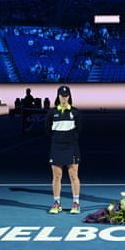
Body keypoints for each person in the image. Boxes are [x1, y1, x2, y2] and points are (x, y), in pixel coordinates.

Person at [45, 86, 82, 214]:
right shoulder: (51, 113)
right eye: (62, 95)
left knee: (73, 175)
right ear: (58, 96)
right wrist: (58, 139)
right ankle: (57, 203)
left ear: (69, 96)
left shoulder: (75, 112)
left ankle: (76, 203)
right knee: (56, 176)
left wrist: (69, 139)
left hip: (71, 147)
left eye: (66, 96)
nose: (64, 98)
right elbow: (47, 130)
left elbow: (79, 130)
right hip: (56, 147)